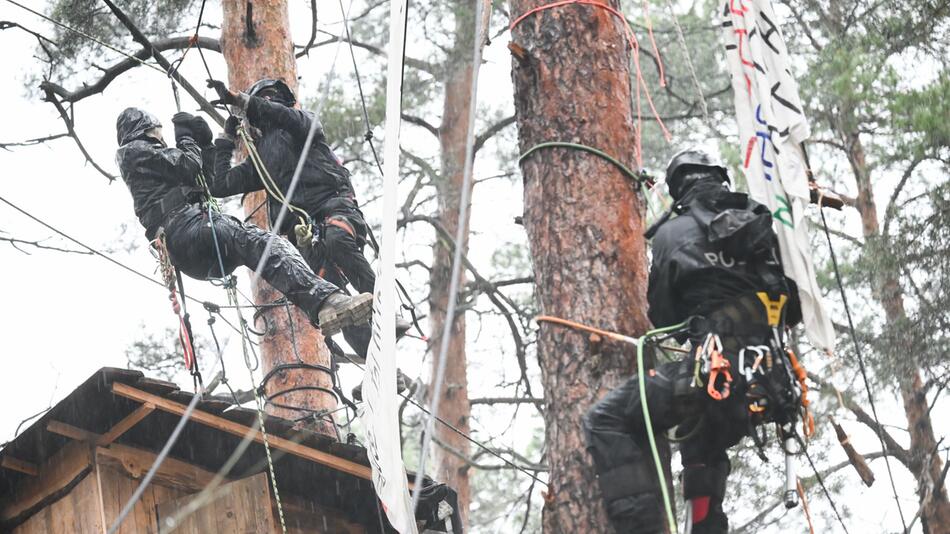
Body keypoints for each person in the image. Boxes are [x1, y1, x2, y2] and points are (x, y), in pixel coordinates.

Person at [583, 149, 804, 534]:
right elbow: (796, 307)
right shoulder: (763, 225)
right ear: (720, 179)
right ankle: (705, 527)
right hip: (768, 381)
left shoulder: (672, 232)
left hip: (714, 373)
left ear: (678, 189)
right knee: (703, 438)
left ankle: (644, 528)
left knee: (607, 419)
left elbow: (664, 317)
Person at [115, 107, 372, 337]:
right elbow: (189, 166)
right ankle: (325, 300)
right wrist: (185, 137)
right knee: (267, 244)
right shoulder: (132, 151)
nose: (162, 138)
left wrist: (209, 143)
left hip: (196, 244)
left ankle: (323, 306)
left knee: (264, 251)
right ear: (147, 131)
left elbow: (208, 179)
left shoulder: (154, 163)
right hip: (187, 232)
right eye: (158, 133)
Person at [205, 78, 408, 361]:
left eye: (271, 99)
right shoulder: (260, 160)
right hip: (303, 233)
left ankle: (387, 313)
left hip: (333, 205)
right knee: (335, 301)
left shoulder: (302, 124)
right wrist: (226, 140)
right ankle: (380, 363)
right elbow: (220, 184)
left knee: (338, 239)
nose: (269, 105)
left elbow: (281, 116)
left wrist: (244, 102)